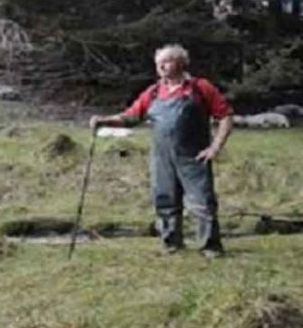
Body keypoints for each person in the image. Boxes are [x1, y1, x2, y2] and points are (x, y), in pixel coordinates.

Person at [90, 44, 233, 258]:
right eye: (159, 63)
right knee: (165, 200)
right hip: (162, 157)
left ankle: (210, 247)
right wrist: (104, 120)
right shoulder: (154, 91)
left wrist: (215, 147)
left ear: (181, 63)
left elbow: (226, 116)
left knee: (202, 202)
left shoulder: (199, 87)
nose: (162, 67)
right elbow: (131, 117)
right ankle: (171, 244)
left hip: (194, 156)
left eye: (167, 61)